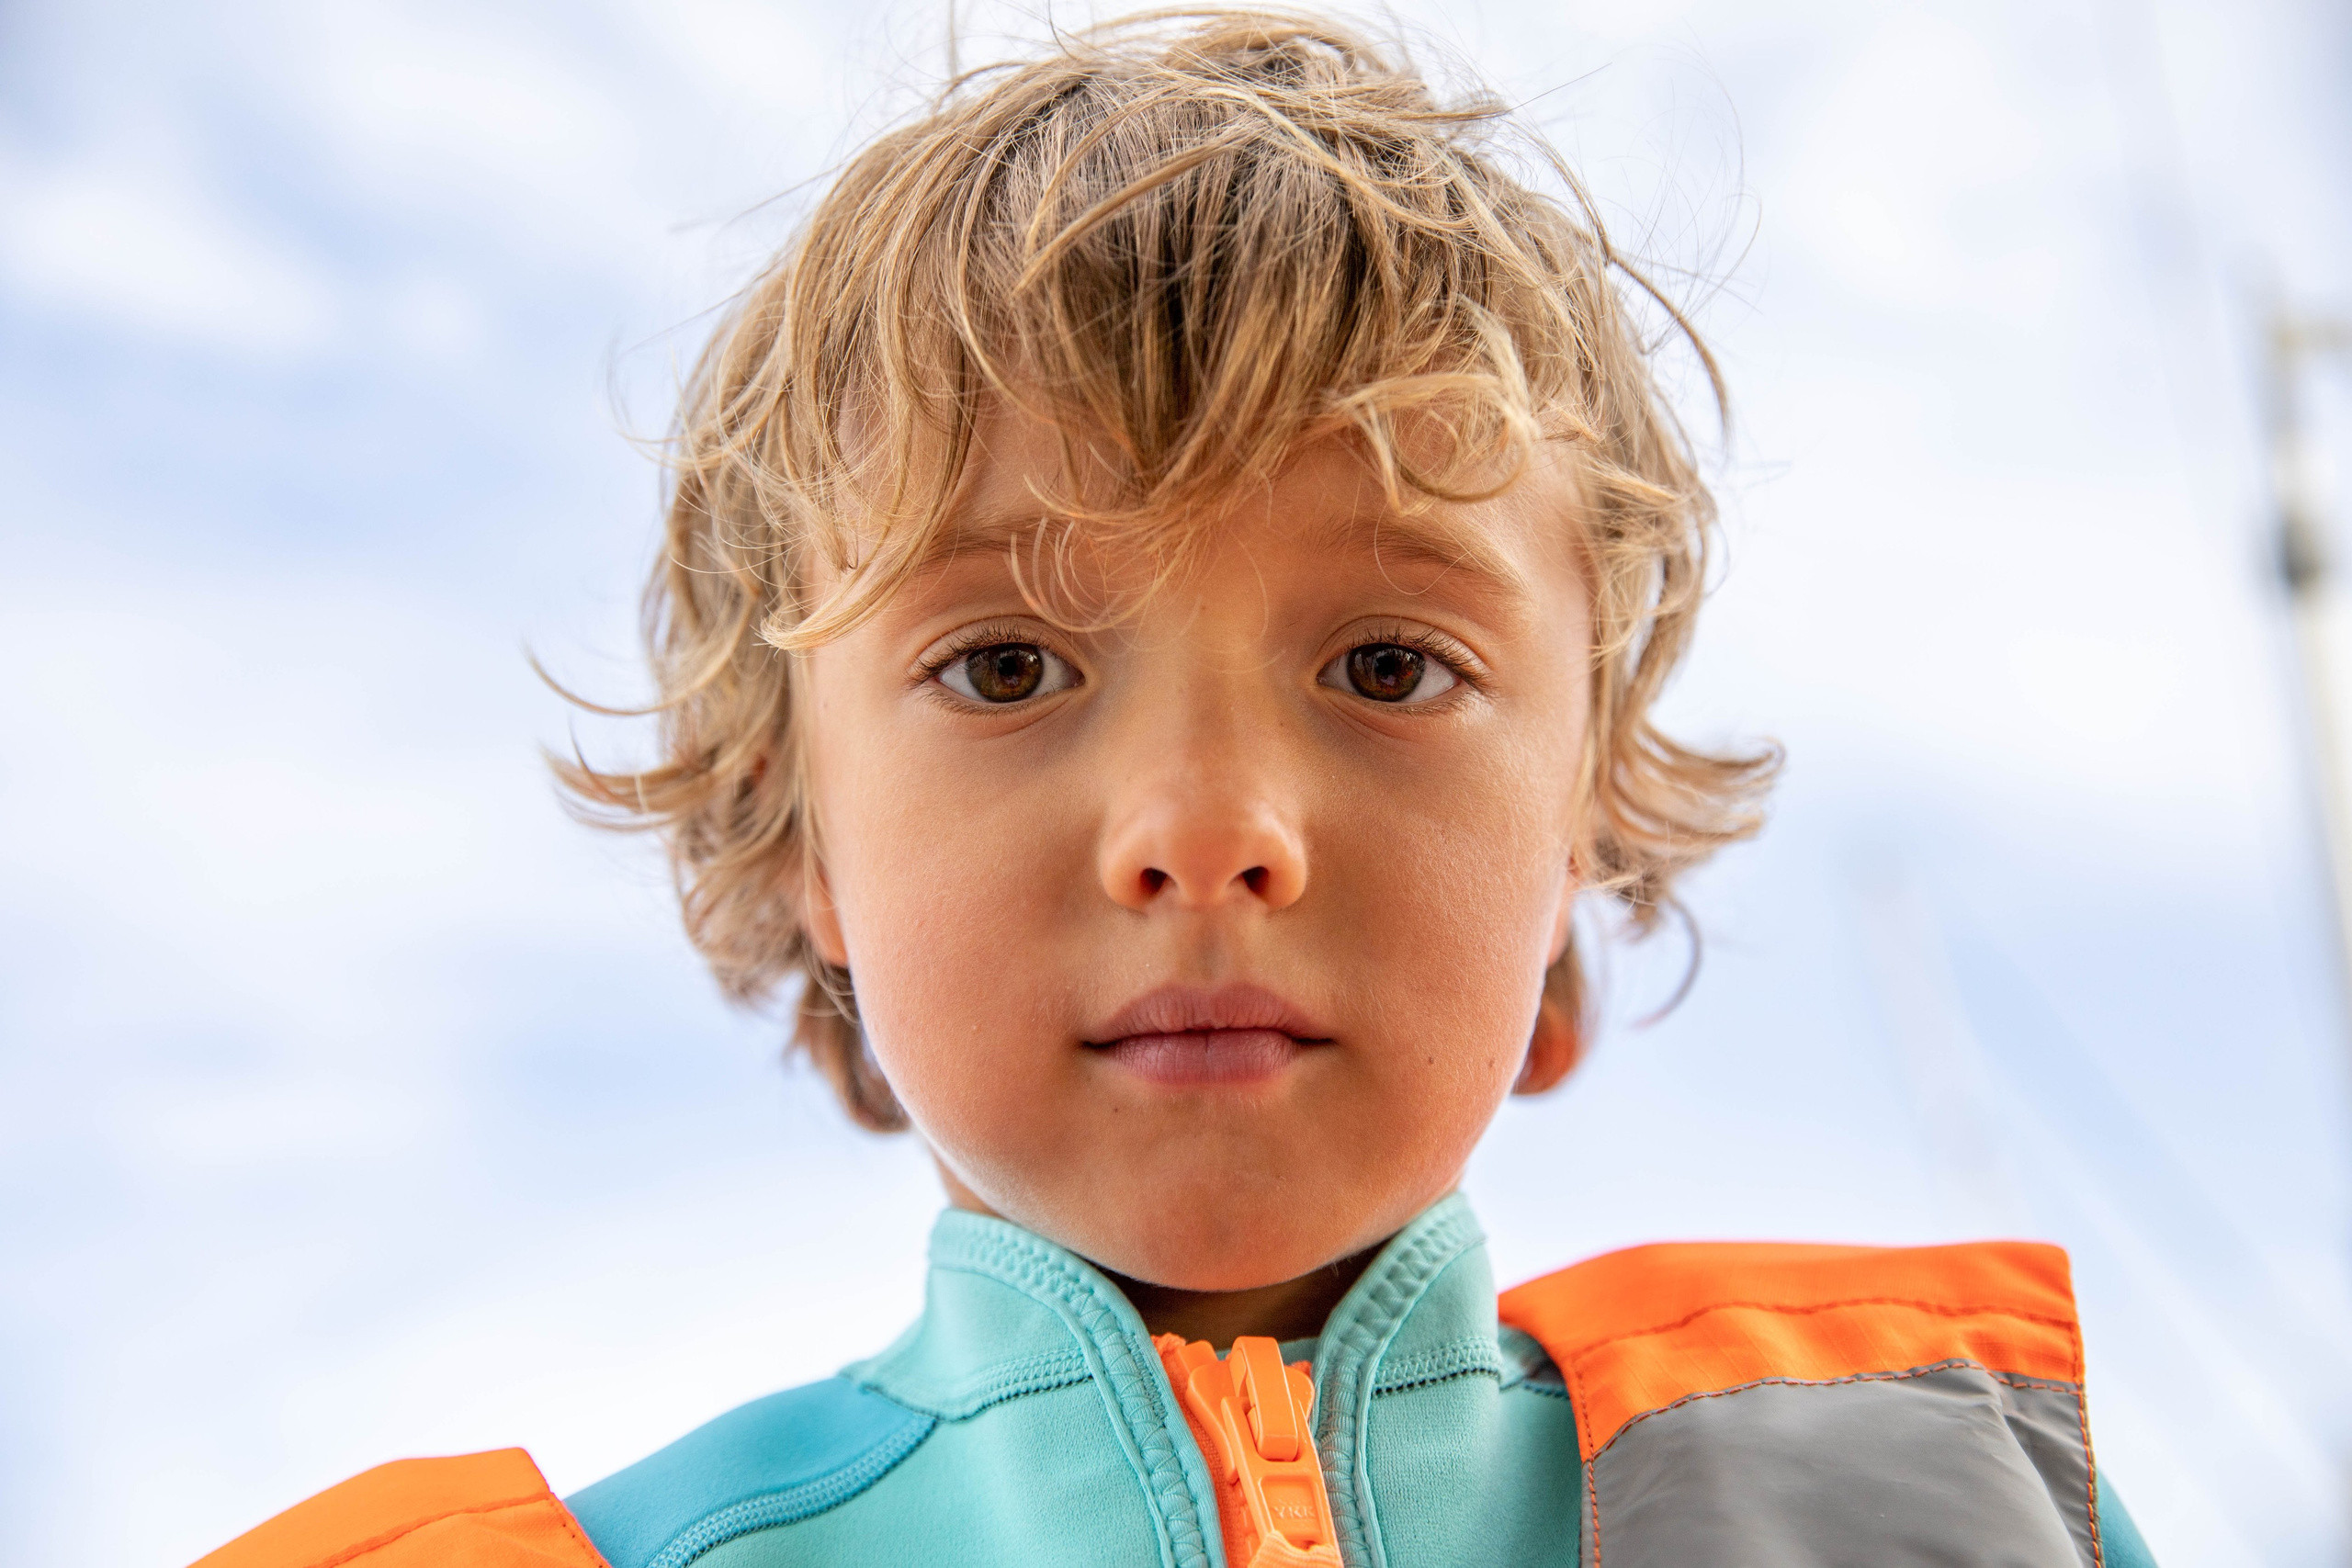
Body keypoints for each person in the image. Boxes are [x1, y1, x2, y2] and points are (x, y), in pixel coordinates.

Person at [197, 11, 2159, 1567]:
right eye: (1004, 666)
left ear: (1576, 823)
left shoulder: (1935, 1494)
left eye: (1388, 666)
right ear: (803, 845)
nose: (1208, 831)